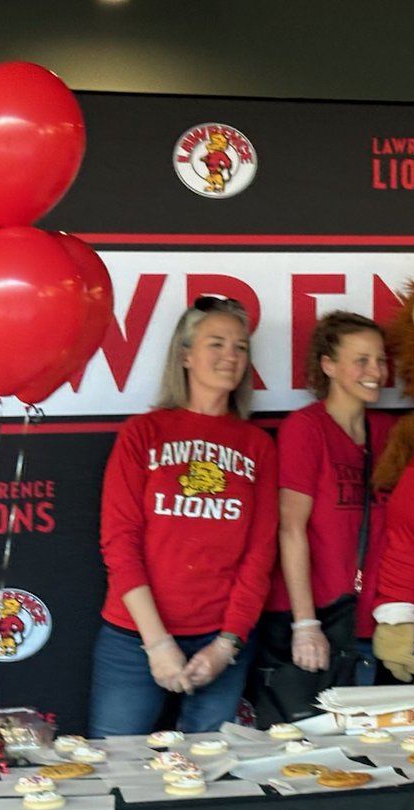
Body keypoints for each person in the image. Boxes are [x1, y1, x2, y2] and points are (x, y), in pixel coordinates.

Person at [89, 295, 278, 736]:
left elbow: (259, 555)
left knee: (212, 779)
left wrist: (226, 646)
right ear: (186, 355)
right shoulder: (144, 433)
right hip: (133, 638)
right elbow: (120, 542)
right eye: (216, 343)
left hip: (220, 641)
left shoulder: (257, 446)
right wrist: (156, 644)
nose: (230, 356)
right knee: (116, 772)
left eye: (240, 347)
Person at [270, 311, 393, 686]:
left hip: (376, 625)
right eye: (361, 361)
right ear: (328, 365)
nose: (376, 370)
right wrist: (306, 624)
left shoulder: (389, 432)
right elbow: (291, 528)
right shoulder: (306, 429)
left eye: (381, 360)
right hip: (323, 623)